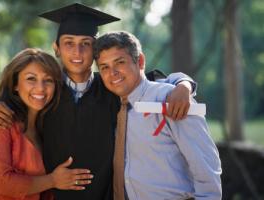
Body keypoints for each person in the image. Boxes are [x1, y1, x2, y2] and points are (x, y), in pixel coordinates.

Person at [0, 3, 198, 200]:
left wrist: (184, 85)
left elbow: (157, 83)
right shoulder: (47, 92)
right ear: (56, 48)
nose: (77, 51)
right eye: (68, 42)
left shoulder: (112, 87)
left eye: (86, 43)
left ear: (96, 51)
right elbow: (9, 126)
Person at [94, 31, 222, 200]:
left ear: (140, 61)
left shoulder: (170, 99)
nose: (113, 73)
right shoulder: (110, 105)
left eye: (120, 62)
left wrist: (184, 86)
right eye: (105, 67)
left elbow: (206, 169)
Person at [0, 48, 93, 200]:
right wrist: (53, 180)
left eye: (48, 80)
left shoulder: (47, 127)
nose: (40, 88)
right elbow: (2, 184)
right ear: (15, 84)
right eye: (31, 79)